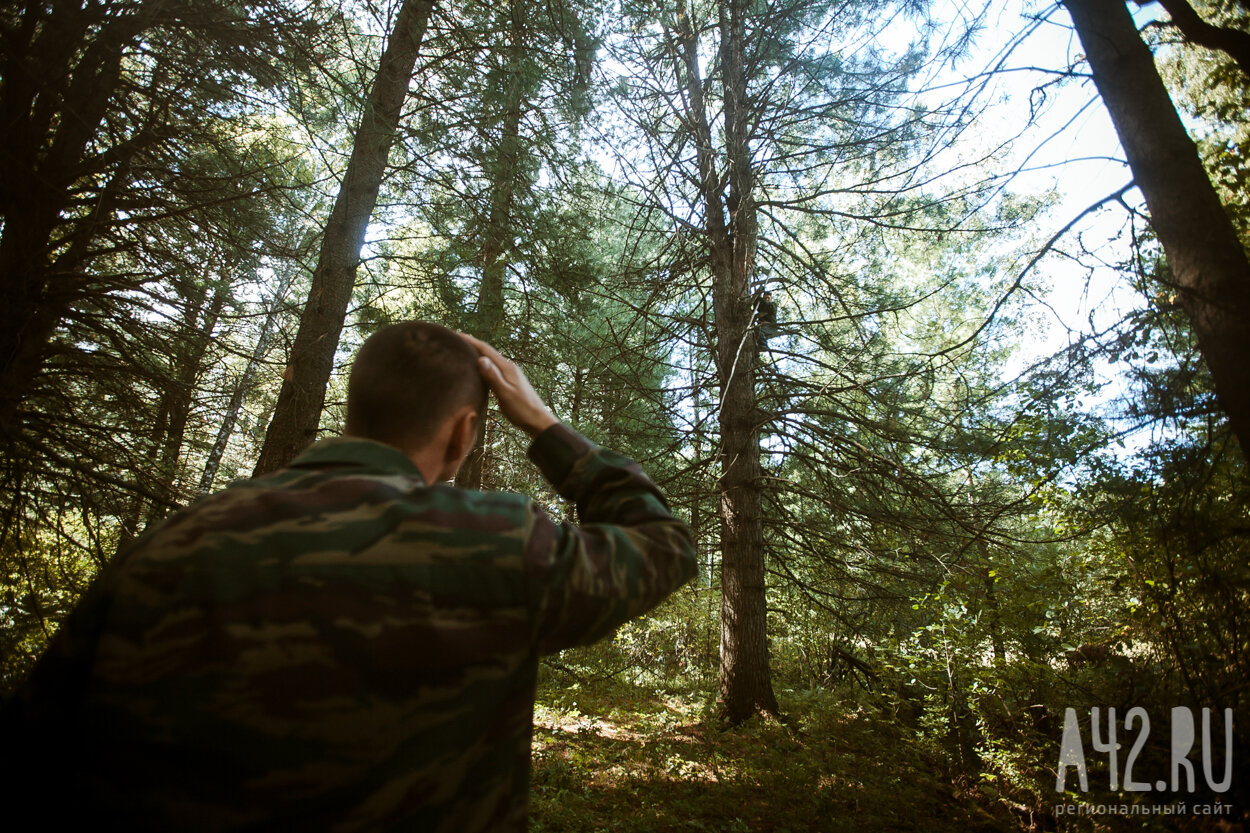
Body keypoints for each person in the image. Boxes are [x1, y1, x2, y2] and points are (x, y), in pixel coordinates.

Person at [0, 321, 697, 832]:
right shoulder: (501, 546)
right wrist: (544, 424)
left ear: (355, 411)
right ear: (463, 433)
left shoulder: (168, 544)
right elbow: (664, 543)